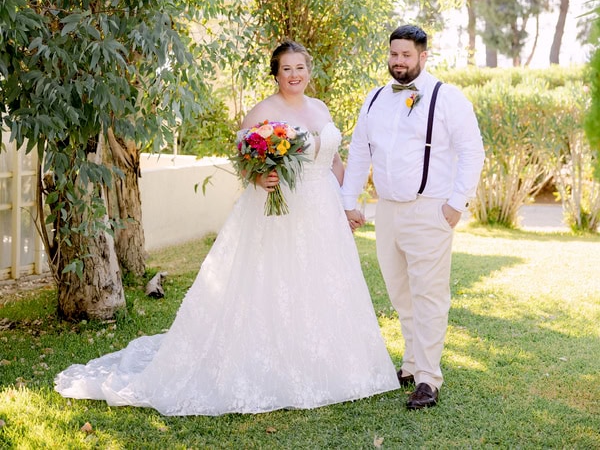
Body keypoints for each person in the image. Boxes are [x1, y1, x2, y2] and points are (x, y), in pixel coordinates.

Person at [54, 40, 399, 415]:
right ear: (276, 74)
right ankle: (276, 361)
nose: (294, 75)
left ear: (309, 71)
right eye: (286, 69)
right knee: (278, 281)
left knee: (323, 281)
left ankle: (331, 362)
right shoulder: (264, 111)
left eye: (300, 67)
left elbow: (334, 161)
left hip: (323, 209)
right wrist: (259, 178)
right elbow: (245, 159)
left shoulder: (320, 108)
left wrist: (347, 204)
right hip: (282, 210)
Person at [342, 25, 484, 410]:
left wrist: (456, 203)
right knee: (400, 292)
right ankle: (410, 363)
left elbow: (472, 151)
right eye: (394, 54)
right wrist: (349, 200)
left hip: (430, 209)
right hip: (387, 209)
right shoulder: (375, 98)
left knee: (428, 294)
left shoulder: (447, 97)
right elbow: (360, 152)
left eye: (406, 55)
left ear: (423, 56)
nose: (398, 61)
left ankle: (428, 378)